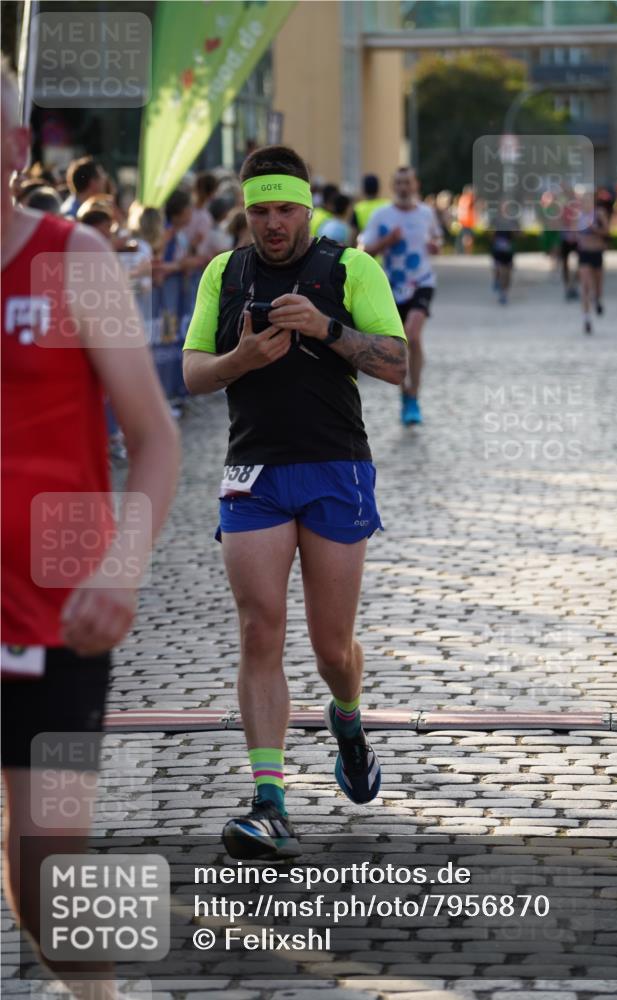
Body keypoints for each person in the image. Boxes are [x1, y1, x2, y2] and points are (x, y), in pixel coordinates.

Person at [1, 58, 180, 999]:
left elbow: (154, 442)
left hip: (59, 615)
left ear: (18, 149)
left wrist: (121, 570)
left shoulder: (78, 260)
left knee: (46, 865)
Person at [182, 144, 406, 861]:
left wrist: (327, 330)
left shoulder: (350, 268)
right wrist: (238, 362)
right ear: (243, 212)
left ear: (307, 207)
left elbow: (399, 365)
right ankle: (268, 802)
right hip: (252, 471)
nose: (272, 223)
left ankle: (347, 719)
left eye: (284, 209)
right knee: (259, 630)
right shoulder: (224, 271)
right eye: (259, 211)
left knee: (330, 646)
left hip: (335, 468)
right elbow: (191, 374)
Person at [359, 165, 442, 426]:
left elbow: (436, 240)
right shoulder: (381, 216)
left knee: (414, 335)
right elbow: (362, 252)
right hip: (392, 286)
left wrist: (435, 246)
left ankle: (414, 394)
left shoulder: (427, 213)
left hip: (422, 283)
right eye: (399, 183)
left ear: (416, 185)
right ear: (393, 186)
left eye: (408, 183)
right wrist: (387, 242)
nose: (404, 188)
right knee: (400, 344)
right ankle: (404, 394)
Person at [576, 197, 609, 335]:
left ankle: (597, 300)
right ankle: (586, 318)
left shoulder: (600, 213)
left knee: (598, 287)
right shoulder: (578, 215)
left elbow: (607, 231)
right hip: (584, 253)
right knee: (585, 286)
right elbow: (574, 233)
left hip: (597, 252)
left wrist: (594, 229)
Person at [350, 173, 389, 242]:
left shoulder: (358, 208)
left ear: (364, 189)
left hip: (366, 249)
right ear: (378, 188)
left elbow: (353, 236)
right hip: (385, 249)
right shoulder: (387, 205)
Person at [490, 228, 514, 305]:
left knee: (507, 277)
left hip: (507, 257)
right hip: (499, 256)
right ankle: (502, 293)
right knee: (501, 274)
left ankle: (503, 294)